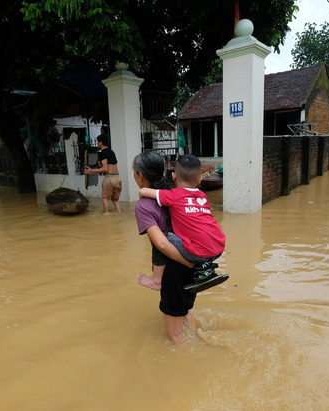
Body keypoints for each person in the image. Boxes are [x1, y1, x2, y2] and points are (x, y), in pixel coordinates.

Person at [132, 151, 197, 344]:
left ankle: (188, 369)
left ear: (141, 176)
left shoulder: (144, 206)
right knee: (186, 312)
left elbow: (161, 243)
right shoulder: (173, 194)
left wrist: (183, 263)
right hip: (191, 257)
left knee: (175, 335)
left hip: (174, 268)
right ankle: (200, 339)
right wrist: (191, 263)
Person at [138, 154, 226, 288]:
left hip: (199, 252)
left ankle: (156, 280)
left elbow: (145, 192)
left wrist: (141, 193)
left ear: (174, 176)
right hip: (219, 247)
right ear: (199, 180)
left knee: (161, 237)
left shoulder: (173, 195)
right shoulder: (202, 196)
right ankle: (205, 267)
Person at [84, 134, 121, 214]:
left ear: (101, 142)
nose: (97, 144)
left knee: (105, 198)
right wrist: (100, 165)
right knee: (115, 200)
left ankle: (106, 217)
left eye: (97, 142)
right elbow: (110, 164)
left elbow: (105, 169)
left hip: (110, 178)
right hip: (118, 178)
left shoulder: (102, 153)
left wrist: (91, 171)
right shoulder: (111, 152)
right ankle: (119, 213)